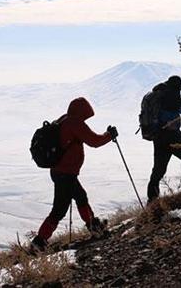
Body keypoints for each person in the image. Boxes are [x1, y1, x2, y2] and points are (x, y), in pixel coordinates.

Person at [31, 97, 118, 252]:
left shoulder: (64, 119)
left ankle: (94, 226)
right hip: (66, 173)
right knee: (60, 209)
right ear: (82, 111)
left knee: (81, 197)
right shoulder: (75, 123)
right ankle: (39, 242)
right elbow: (94, 141)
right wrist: (109, 135)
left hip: (60, 172)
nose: (86, 119)